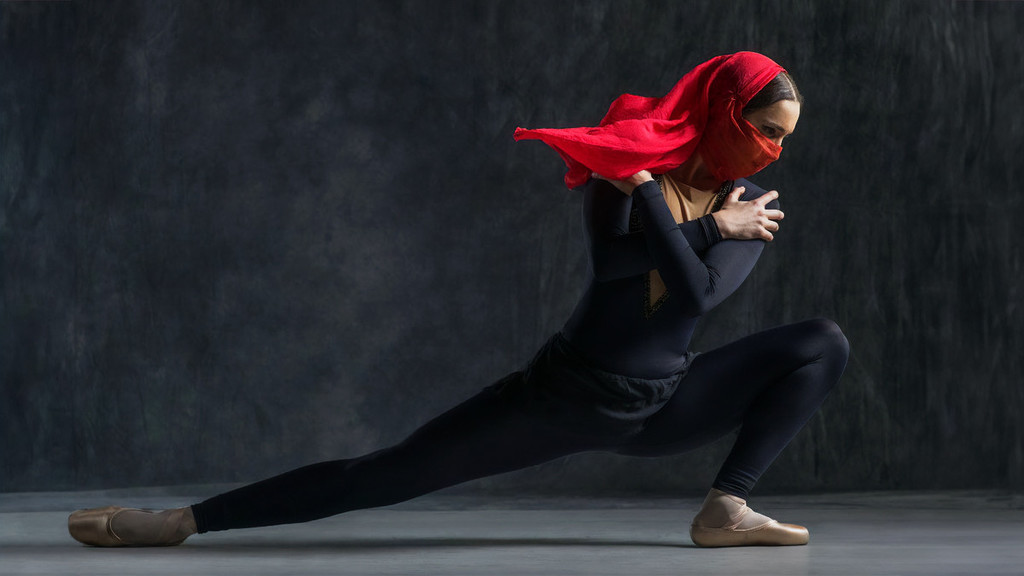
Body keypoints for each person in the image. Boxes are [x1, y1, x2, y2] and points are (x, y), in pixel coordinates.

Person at [68, 51, 849, 549]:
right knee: (383, 473)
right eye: (765, 128)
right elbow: (615, 267)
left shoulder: (748, 206)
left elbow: (697, 291)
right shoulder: (625, 155)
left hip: (662, 405)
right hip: (562, 397)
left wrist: (677, 209)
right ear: (723, 109)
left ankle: (725, 509)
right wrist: (665, 195)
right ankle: (182, 522)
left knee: (822, 342)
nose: (772, 150)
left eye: (784, 138)